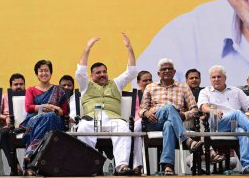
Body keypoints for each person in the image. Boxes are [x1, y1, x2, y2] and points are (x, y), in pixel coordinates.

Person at [75, 33, 138, 175]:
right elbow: (80, 72)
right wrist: (87, 49)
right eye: (98, 72)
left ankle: (121, 166)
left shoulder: (116, 83)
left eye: (104, 72)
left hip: (113, 119)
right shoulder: (85, 85)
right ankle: (88, 166)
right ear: (91, 76)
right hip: (92, 120)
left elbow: (132, 72)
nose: (102, 74)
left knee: (123, 127)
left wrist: (129, 48)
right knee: (83, 127)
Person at [139, 58, 204, 175]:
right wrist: (146, 113)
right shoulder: (150, 87)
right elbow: (141, 109)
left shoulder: (183, 87)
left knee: (169, 124)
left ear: (174, 72)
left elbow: (194, 110)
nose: (167, 71)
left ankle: (168, 166)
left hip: (173, 122)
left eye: (170, 69)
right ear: (158, 74)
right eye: (164, 69)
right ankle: (187, 140)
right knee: (169, 108)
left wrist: (183, 115)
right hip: (154, 121)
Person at [198, 65, 249, 174]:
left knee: (243, 133)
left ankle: (247, 167)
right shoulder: (205, 91)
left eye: (219, 77)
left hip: (233, 125)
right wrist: (213, 111)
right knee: (236, 113)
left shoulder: (236, 91)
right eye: (213, 77)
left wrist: (247, 113)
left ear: (225, 78)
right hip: (216, 124)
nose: (216, 79)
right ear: (210, 79)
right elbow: (203, 106)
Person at [20, 60, 68, 175]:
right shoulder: (31, 90)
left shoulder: (59, 90)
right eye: (40, 71)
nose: (43, 73)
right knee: (48, 116)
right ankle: (39, 166)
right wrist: (45, 106)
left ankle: (31, 155)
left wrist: (57, 110)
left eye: (46, 70)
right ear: (37, 74)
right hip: (34, 120)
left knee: (51, 116)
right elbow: (29, 107)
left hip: (55, 122)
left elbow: (64, 111)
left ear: (51, 73)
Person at [0, 73, 25, 175]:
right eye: (16, 84)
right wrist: (5, 117)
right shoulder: (4, 97)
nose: (19, 86)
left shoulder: (29, 96)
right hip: (9, 128)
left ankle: (28, 168)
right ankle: (15, 167)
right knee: (3, 134)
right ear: (10, 86)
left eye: (21, 84)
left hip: (25, 127)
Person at [132, 70, 153, 175]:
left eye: (150, 80)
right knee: (137, 130)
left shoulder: (156, 92)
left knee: (136, 129)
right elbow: (134, 112)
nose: (148, 82)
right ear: (138, 82)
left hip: (154, 121)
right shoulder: (135, 95)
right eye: (145, 80)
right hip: (138, 121)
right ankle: (137, 165)